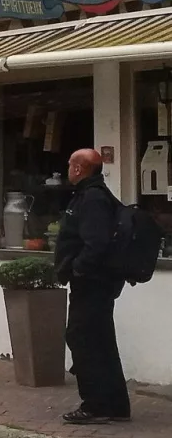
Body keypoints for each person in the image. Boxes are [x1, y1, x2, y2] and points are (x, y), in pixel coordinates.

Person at [52, 148, 131, 423]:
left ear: (78, 169)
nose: (67, 169)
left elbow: (96, 243)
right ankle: (116, 406)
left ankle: (96, 405)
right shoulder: (94, 194)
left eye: (69, 165)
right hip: (96, 283)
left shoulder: (93, 198)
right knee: (101, 340)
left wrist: (78, 269)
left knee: (82, 339)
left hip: (92, 283)